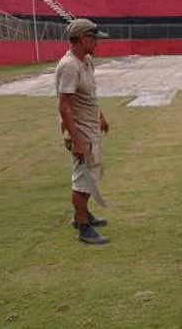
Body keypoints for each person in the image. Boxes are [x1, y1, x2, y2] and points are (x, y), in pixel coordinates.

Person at [56, 18, 111, 245]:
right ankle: (83, 227)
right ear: (81, 39)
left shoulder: (86, 61)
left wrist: (100, 116)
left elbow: (89, 96)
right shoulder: (70, 66)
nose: (97, 43)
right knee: (82, 180)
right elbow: (64, 105)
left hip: (89, 127)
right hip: (80, 131)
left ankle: (84, 214)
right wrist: (76, 139)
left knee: (90, 176)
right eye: (94, 39)